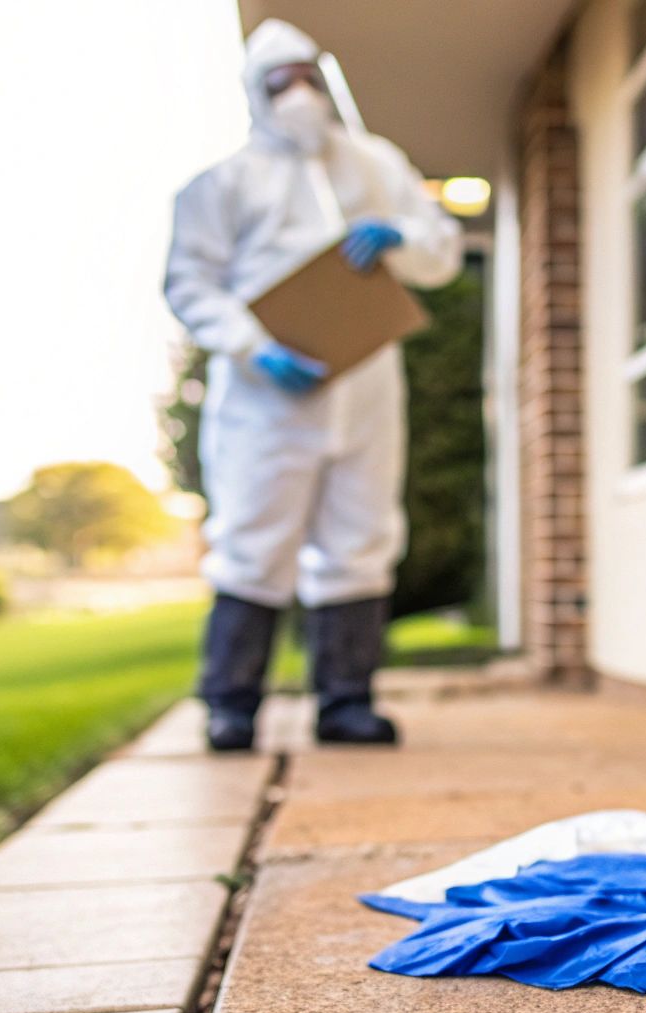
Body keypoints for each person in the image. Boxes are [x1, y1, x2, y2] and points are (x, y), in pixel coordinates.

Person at [164, 19, 461, 751]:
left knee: (360, 537)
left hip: (365, 386)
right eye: (280, 82)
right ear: (254, 93)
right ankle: (231, 704)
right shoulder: (222, 185)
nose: (298, 94)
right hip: (266, 397)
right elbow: (190, 284)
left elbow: (442, 249)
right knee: (253, 542)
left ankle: (346, 700)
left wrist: (401, 237)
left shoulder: (376, 164)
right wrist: (252, 347)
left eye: (307, 77)